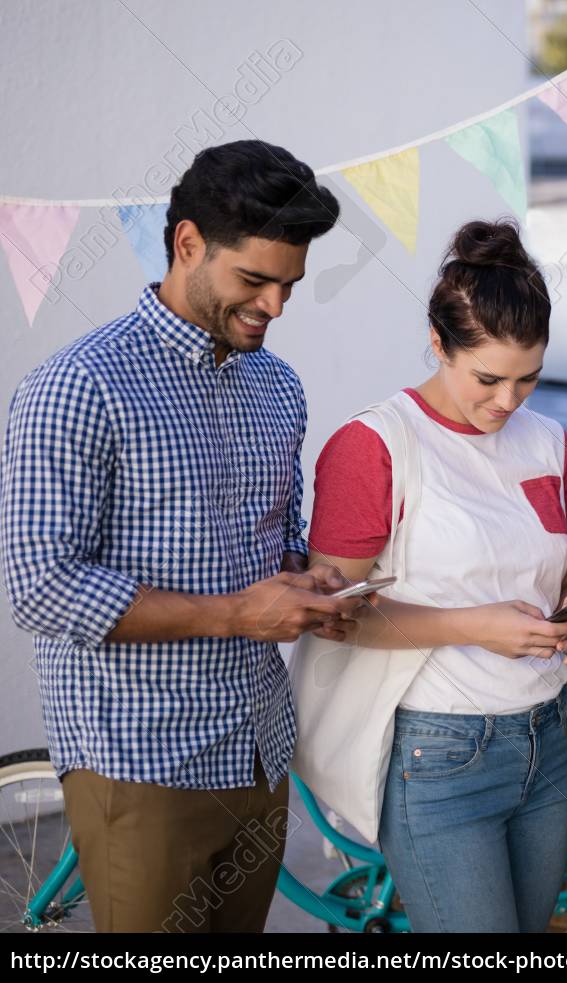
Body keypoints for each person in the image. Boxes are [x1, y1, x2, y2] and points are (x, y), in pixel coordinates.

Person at [0, 140, 359, 932]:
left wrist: (308, 585)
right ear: (187, 244)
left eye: (289, 285)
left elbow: (279, 538)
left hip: (260, 752)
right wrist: (237, 612)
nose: (274, 305)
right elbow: (39, 585)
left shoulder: (277, 385)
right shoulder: (78, 386)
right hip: (140, 763)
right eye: (254, 280)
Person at [306, 219, 567, 933]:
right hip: (438, 755)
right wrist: (474, 626)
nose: (509, 401)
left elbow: (561, 576)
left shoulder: (545, 440)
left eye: (528, 377)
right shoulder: (376, 445)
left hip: (547, 741)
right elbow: (333, 615)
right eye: (488, 378)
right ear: (439, 343)